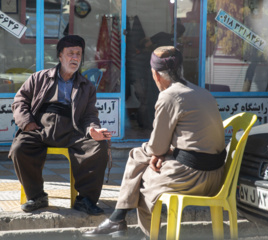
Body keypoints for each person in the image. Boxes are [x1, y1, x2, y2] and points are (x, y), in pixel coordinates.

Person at [83, 46, 226, 238]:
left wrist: (159, 153)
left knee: (143, 180)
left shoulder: (169, 96)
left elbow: (157, 146)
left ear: (156, 75)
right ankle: (118, 218)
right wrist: (162, 152)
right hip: (217, 176)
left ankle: (142, 232)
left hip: (192, 176)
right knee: (140, 156)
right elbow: (187, 139)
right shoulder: (202, 92)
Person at [8, 35, 111, 215]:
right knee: (20, 147)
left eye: (78, 54)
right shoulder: (39, 78)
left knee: (98, 146)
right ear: (60, 56)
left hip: (73, 130)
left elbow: (89, 114)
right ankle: (37, 196)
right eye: (70, 53)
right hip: (40, 128)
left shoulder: (87, 86)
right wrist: (28, 123)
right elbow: (20, 101)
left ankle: (86, 199)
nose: (75, 58)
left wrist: (92, 129)